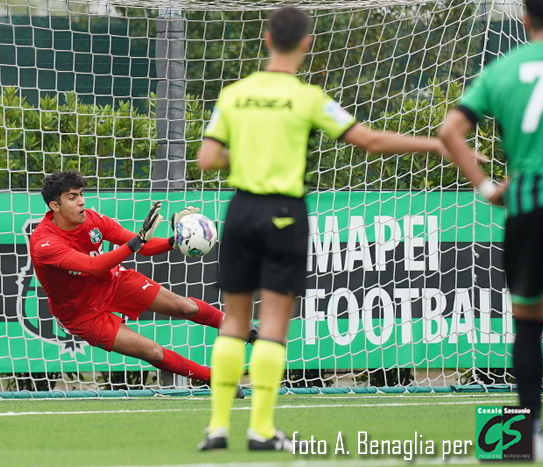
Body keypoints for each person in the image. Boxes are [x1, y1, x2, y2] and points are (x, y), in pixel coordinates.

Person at [197, 6, 458, 451]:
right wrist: (436, 144)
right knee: (273, 322)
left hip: (240, 210)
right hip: (284, 212)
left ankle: (217, 428)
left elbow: (207, 159)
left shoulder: (235, 94)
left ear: (266, 39)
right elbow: (369, 141)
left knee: (234, 320)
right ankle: (261, 430)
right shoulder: (308, 98)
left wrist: (248, 156)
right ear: (306, 43)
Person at [439, 0, 543, 459]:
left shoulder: (501, 70)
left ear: (524, 19)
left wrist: (486, 187)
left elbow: (449, 131)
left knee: (528, 324)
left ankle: (528, 435)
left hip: (527, 206)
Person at [30, 170, 237, 385]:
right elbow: (94, 266)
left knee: (186, 308)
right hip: (81, 313)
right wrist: (138, 241)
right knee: (152, 352)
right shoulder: (44, 243)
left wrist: (176, 240)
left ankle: (245, 330)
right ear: (55, 206)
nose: (81, 201)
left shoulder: (93, 219)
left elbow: (144, 247)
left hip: (114, 283)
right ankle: (216, 380)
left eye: (81, 194)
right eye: (72, 197)